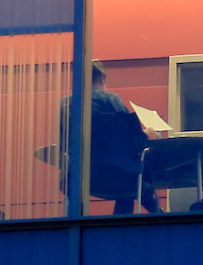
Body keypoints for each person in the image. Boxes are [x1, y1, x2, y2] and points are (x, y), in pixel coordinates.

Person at [60, 62, 162, 215]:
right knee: (133, 174)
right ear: (101, 79)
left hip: (77, 176)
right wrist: (148, 134)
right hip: (116, 175)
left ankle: (74, 222)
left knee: (127, 170)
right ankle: (156, 217)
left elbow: (63, 142)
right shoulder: (111, 99)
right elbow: (128, 140)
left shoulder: (66, 103)